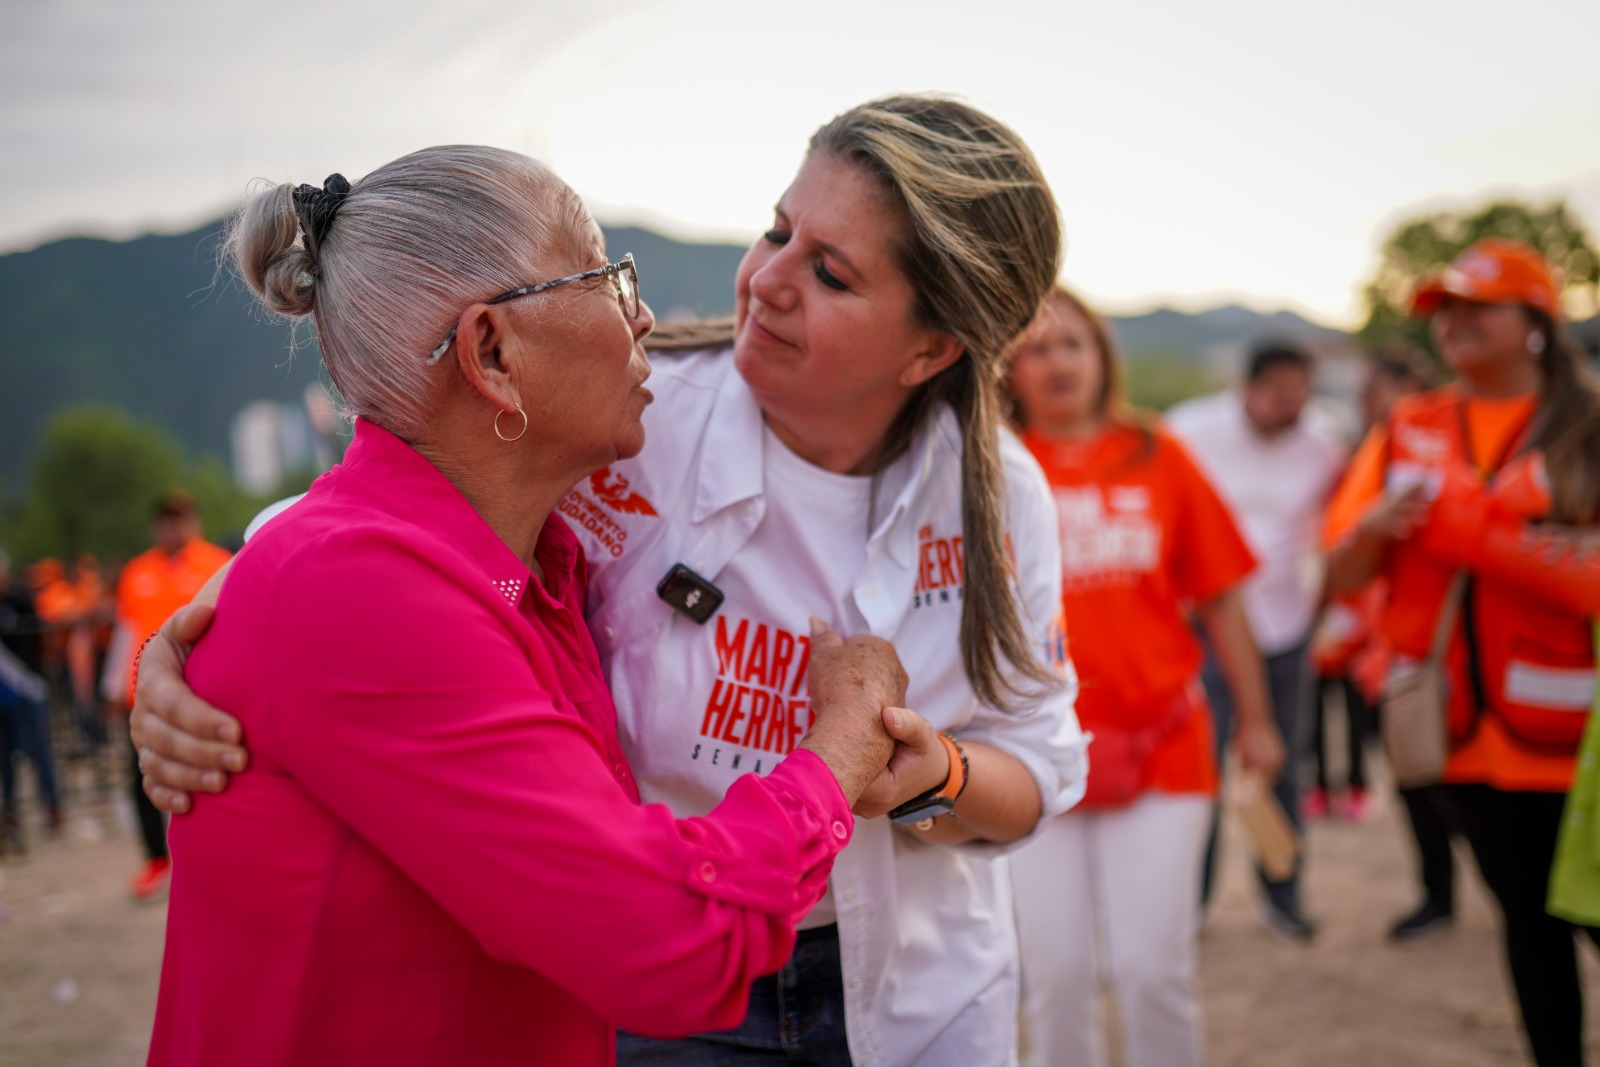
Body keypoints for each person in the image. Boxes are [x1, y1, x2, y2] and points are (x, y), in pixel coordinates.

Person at [134, 97, 1087, 1067]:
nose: (765, 281)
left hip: (910, 976)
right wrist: (182, 653)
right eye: (777, 230)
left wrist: (938, 776)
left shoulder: (996, 494)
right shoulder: (624, 414)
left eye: (831, 273)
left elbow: (1040, 759)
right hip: (659, 978)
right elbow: (361, 532)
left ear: (930, 349)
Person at [1324, 237, 1600, 1065]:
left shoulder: (1588, 429)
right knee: (1525, 917)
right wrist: (1372, 532)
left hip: (1572, 737)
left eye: (1478, 305)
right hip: (1450, 730)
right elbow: (1341, 575)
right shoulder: (1408, 425)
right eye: (1444, 309)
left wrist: (1466, 527)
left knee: (1588, 909)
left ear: (1537, 322)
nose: (1455, 323)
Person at [1003, 285, 1283, 1067]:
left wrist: (1258, 722)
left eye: (1073, 344)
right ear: (1007, 367)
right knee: (1054, 977)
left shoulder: (1159, 454)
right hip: (1035, 757)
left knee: (1152, 971)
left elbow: (1224, 601)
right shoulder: (990, 463)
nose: (1057, 362)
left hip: (1163, 746)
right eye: (1036, 347)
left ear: (1101, 356)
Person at [1167, 341, 1347, 940]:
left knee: (1284, 762)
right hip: (1207, 629)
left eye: (1300, 395)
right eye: (1279, 395)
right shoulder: (1189, 431)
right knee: (1204, 766)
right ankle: (1188, 906)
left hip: (1287, 625)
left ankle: (1285, 893)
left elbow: (1337, 526)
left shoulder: (1324, 442)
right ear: (1247, 388)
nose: (1290, 406)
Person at [1314, 346, 1461, 941]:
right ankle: (1439, 892)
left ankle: (1466, 891)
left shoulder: (1434, 444)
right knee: (1413, 777)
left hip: (1438, 648)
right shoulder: (1376, 449)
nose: (1365, 402)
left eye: (1373, 390)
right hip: (1384, 644)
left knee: (1447, 784)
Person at [109, 491, 232, 900]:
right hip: (141, 695)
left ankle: (212, 859)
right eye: (165, 520)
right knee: (140, 780)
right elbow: (126, 632)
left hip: (204, 694)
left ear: (193, 522)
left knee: (207, 778)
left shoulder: (216, 563)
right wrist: (111, 687)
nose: (172, 528)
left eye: (180, 520)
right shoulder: (136, 571)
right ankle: (155, 859)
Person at [0, 548, 59, 854]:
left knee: (39, 751)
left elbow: (39, 637)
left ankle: (52, 805)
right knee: (5, 759)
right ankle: (10, 814)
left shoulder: (20, 599)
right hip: (3, 697)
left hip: (28, 689)